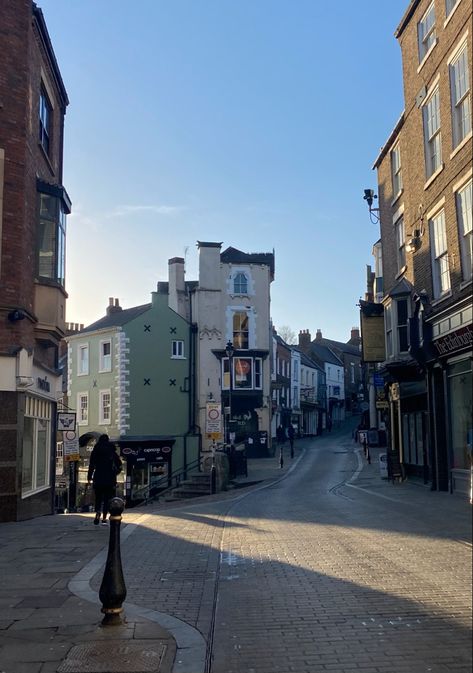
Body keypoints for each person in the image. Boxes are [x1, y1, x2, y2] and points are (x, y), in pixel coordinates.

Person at [87, 434, 122, 526]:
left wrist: (89, 477)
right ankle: (104, 518)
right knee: (107, 499)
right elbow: (119, 464)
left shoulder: (96, 450)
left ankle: (98, 511)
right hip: (110, 479)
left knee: (98, 498)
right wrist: (115, 473)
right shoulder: (112, 451)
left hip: (98, 477)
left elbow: (91, 465)